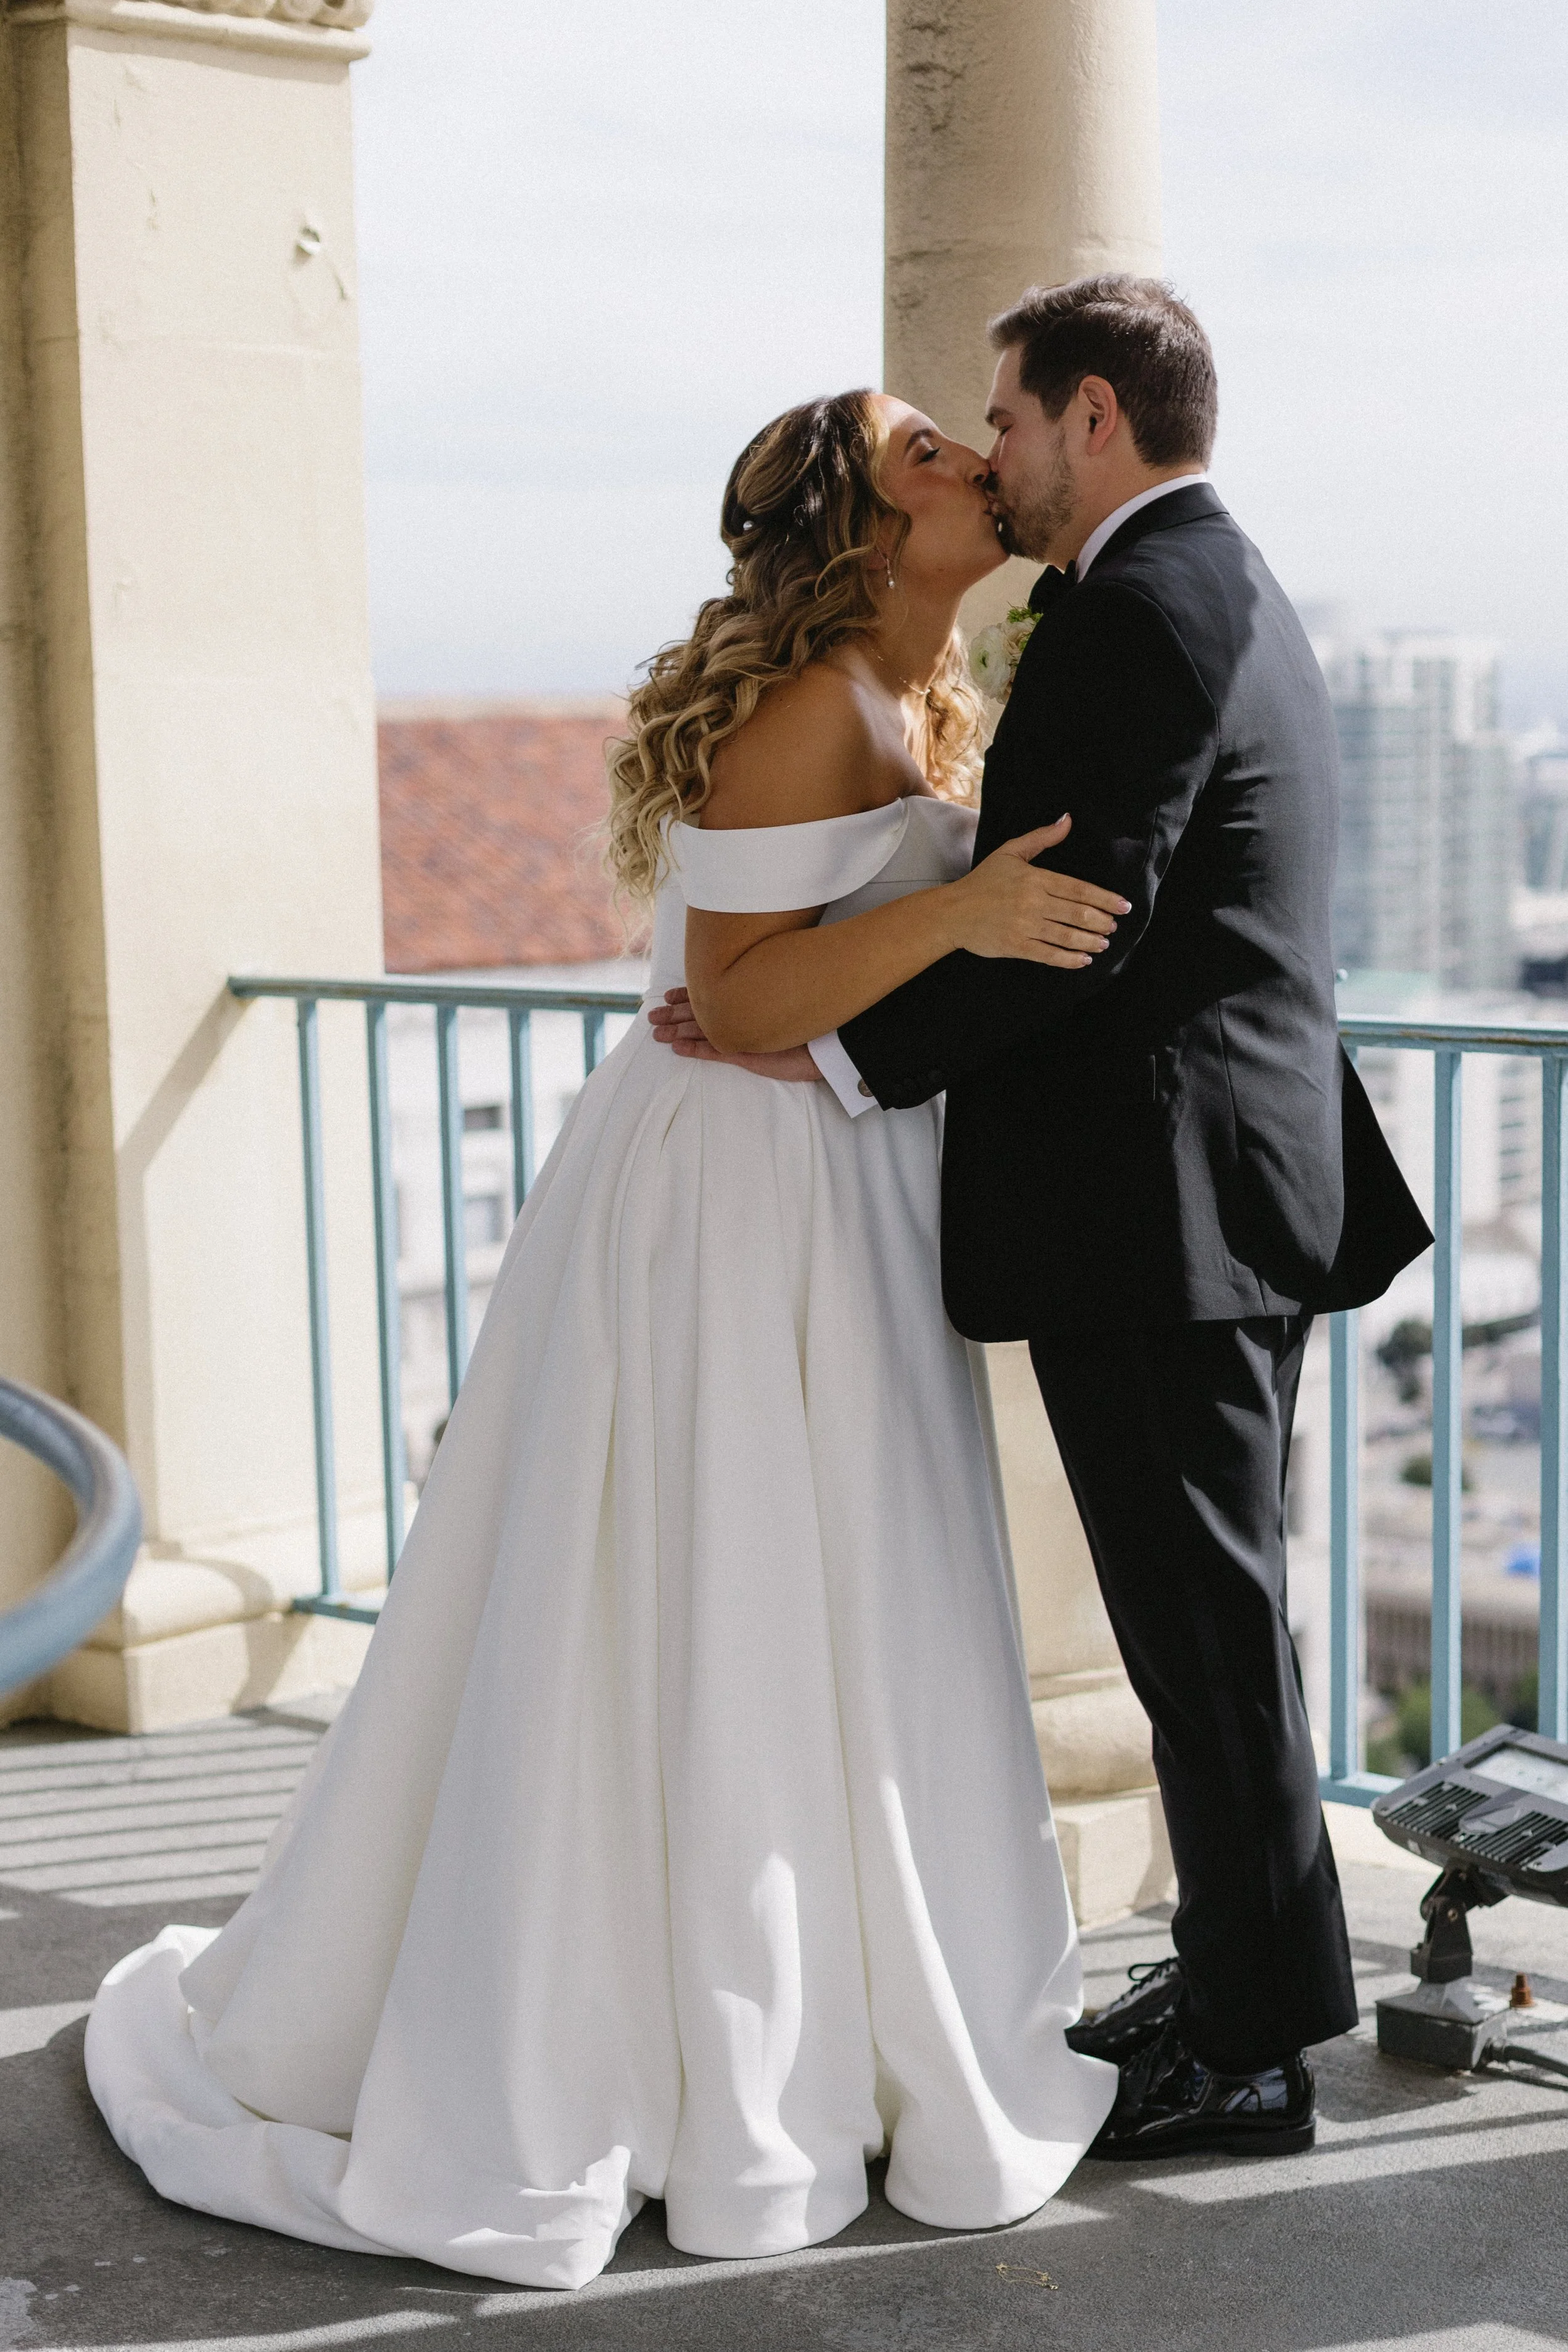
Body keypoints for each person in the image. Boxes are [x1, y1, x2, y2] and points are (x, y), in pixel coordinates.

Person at [85, 390, 1123, 2291]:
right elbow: (732, 999)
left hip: (836, 1185)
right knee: (715, 1586)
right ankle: (659, 2041)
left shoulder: (923, 694)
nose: (971, 458)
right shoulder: (812, 700)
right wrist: (968, 905)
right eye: (922, 451)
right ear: (861, 527)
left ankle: (827, 2022)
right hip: (737, 1197)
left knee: (829, 1590)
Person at [653, 277, 1433, 2160]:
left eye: (998, 419)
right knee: (1210, 1627)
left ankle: (1250, 2057)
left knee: (1204, 1637)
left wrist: (823, 1049)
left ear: (1088, 414)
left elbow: (1065, 927)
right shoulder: (1175, 582)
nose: (987, 451)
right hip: (1203, 1195)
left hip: (1171, 1212)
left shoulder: (1142, 608)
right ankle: (1253, 1975)